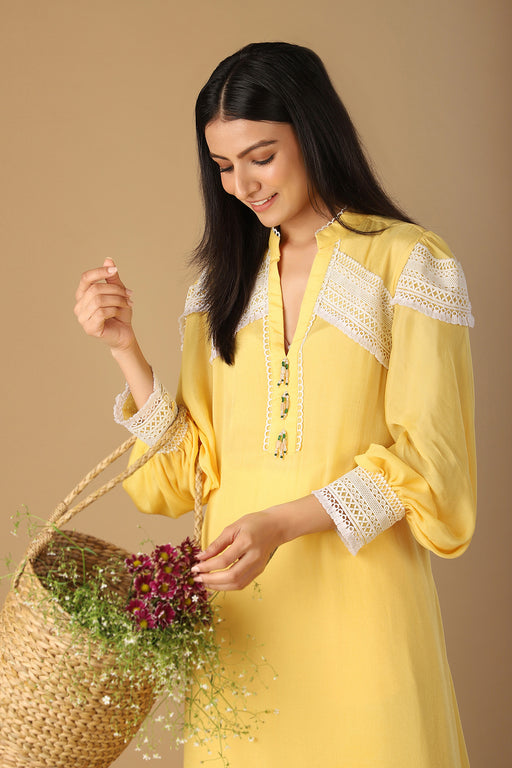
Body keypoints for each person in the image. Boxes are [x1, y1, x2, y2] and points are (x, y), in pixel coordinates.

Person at [74, 42, 476, 768]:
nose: (243, 185)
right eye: (223, 167)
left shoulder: (410, 262)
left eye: (261, 157)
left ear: (311, 131)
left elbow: (431, 465)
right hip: (244, 631)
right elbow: (183, 477)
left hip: (365, 620)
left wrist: (281, 524)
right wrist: (124, 348)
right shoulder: (219, 288)